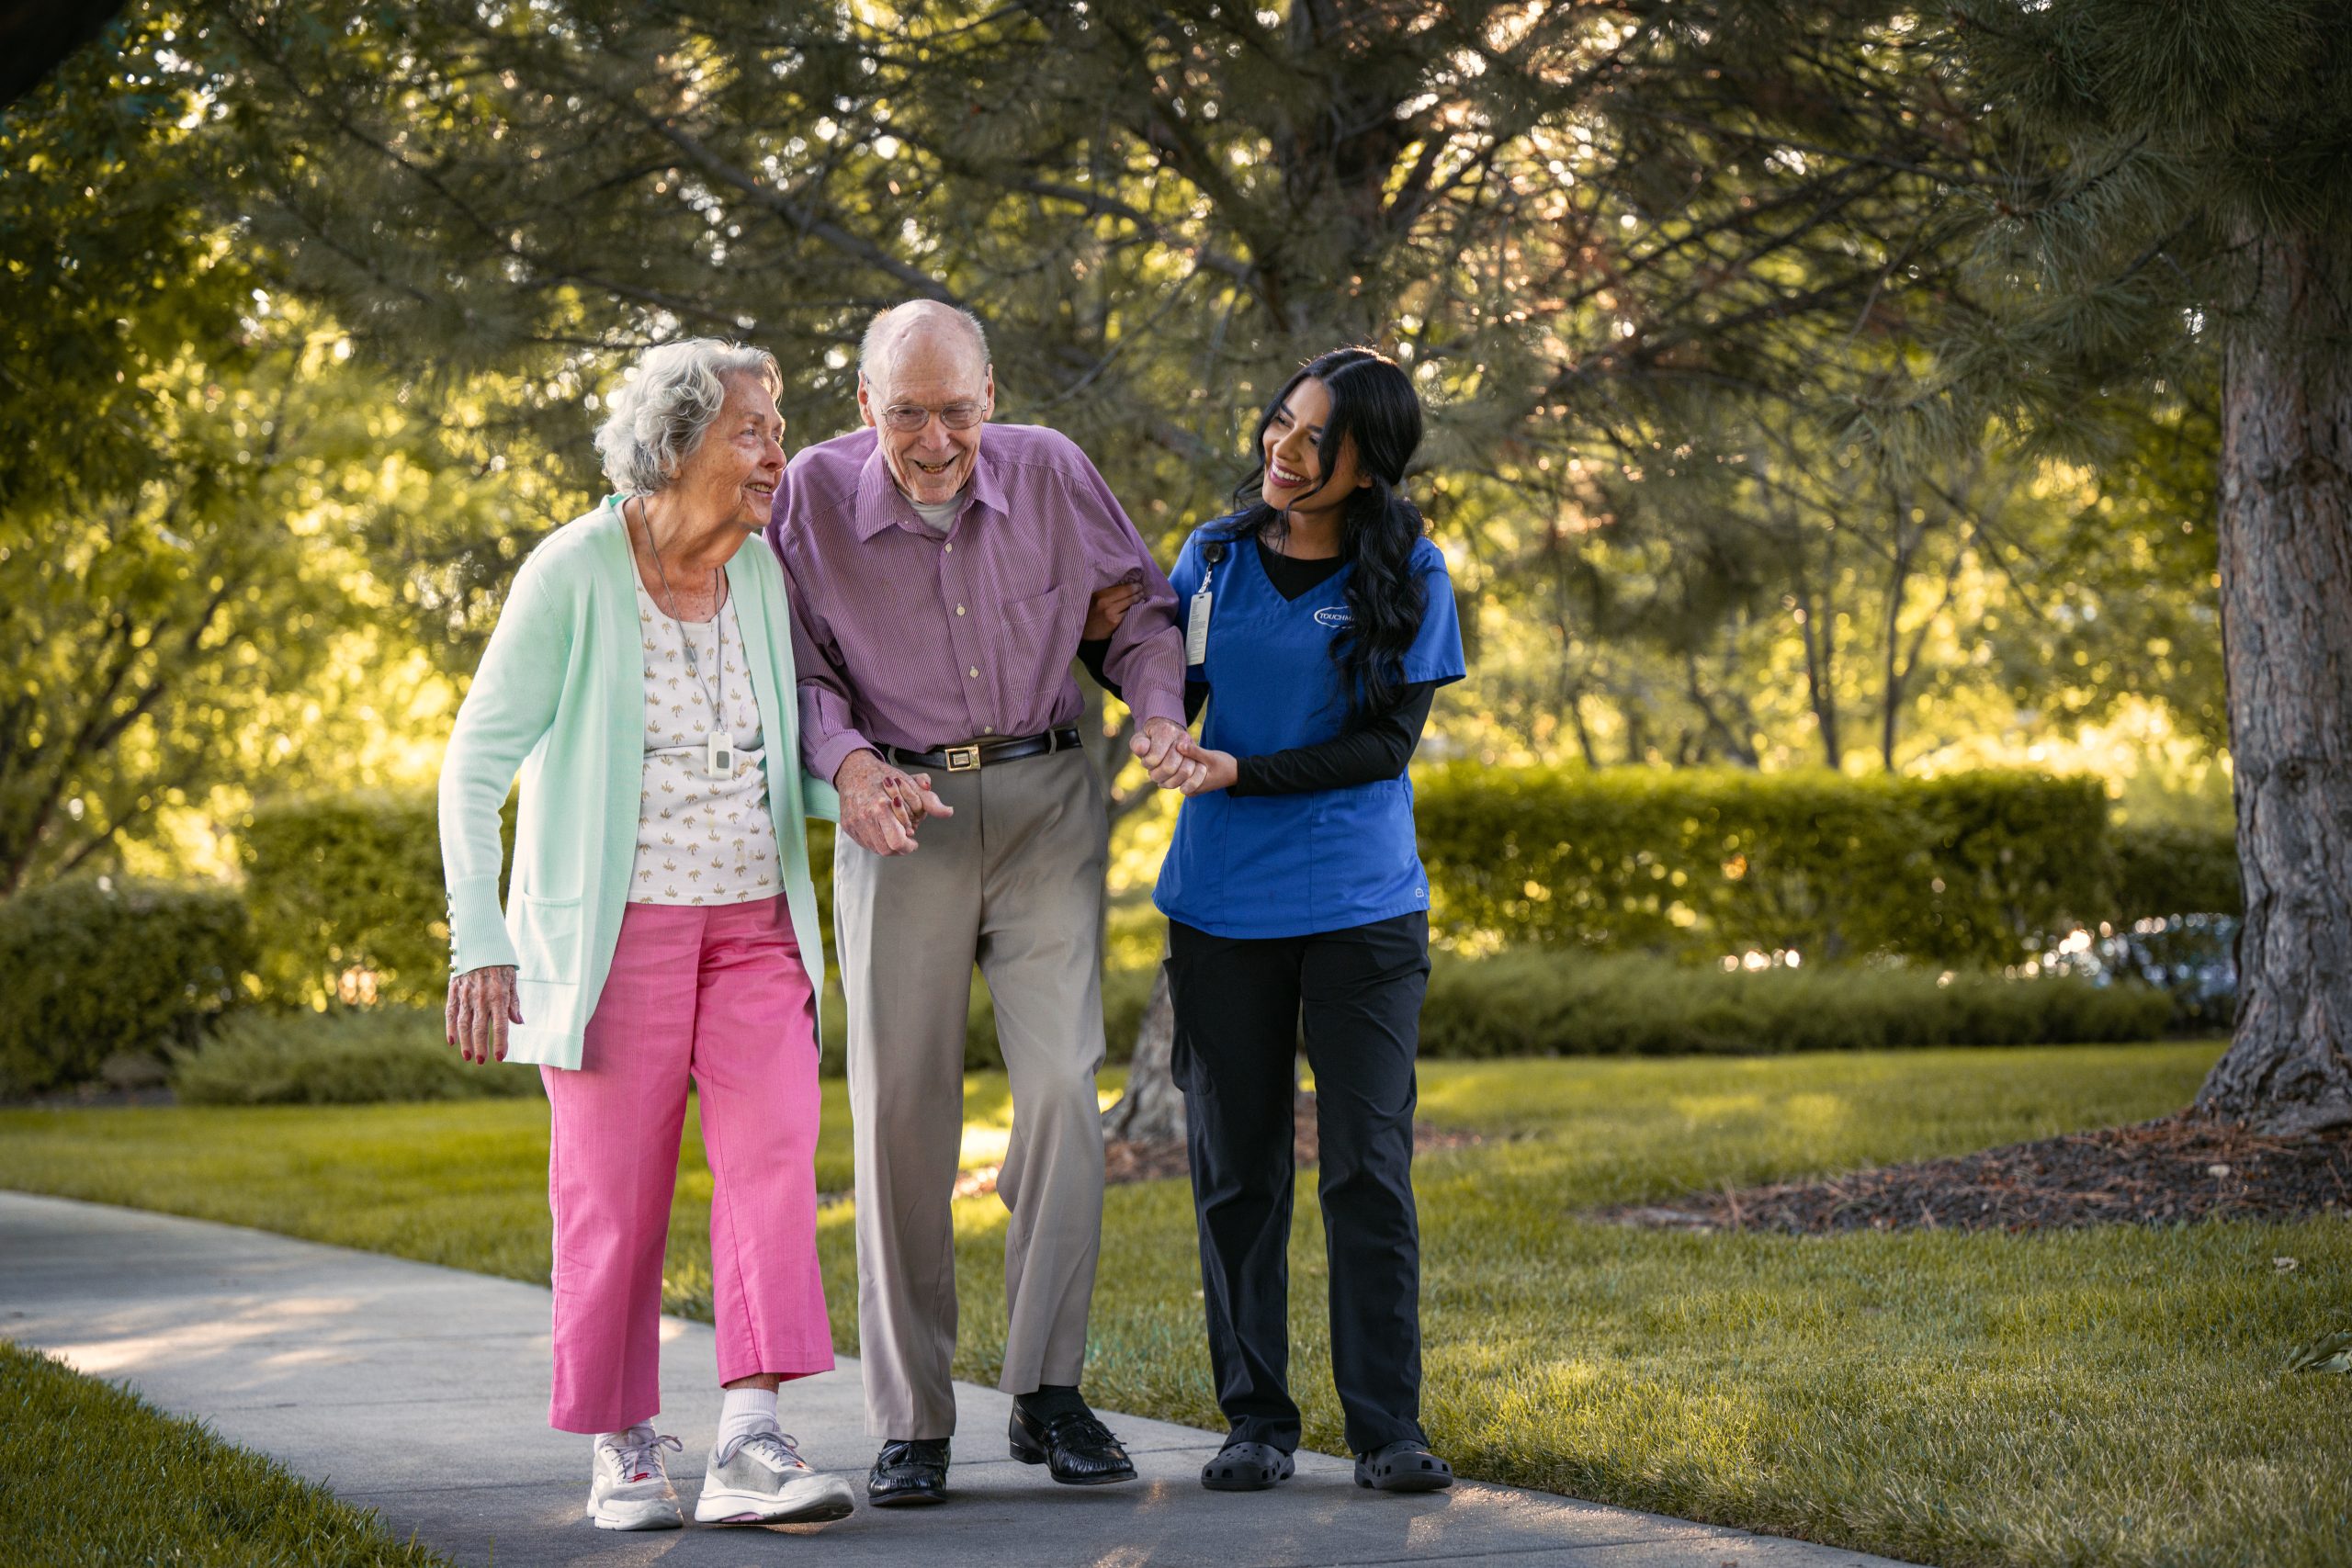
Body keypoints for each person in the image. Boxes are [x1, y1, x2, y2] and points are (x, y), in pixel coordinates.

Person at [768, 299, 1198, 1507]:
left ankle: (1049, 1388)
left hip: (1050, 801)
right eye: (907, 412)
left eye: (957, 408)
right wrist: (846, 763)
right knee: (902, 1105)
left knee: (1061, 1081)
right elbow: (797, 669)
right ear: (865, 407)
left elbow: (1136, 611)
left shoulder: (1052, 471)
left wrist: (1156, 707)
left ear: (991, 396)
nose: (936, 436)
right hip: (901, 812)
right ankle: (912, 1416)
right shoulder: (810, 495)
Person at [438, 339, 857, 1532]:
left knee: (774, 1167)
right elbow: (474, 763)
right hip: (613, 940)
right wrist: (482, 936)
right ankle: (623, 1446)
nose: (779, 450)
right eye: (752, 429)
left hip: (756, 932)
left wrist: (858, 789)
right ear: (676, 446)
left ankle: (752, 1436)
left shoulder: (763, 577)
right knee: (613, 1197)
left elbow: (779, 749)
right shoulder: (574, 570)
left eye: (778, 426)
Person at [1083, 347, 1464, 1495]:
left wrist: (1238, 770)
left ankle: (1388, 1429)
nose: (1283, 454)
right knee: (1236, 1171)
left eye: (1315, 442)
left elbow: (1383, 747)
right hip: (1223, 913)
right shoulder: (1212, 554)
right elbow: (1161, 679)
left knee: (1365, 1169)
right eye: (1279, 426)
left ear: (1368, 464)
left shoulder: (1410, 567)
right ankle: (1255, 1421)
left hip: (1359, 913)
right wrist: (1153, 721)